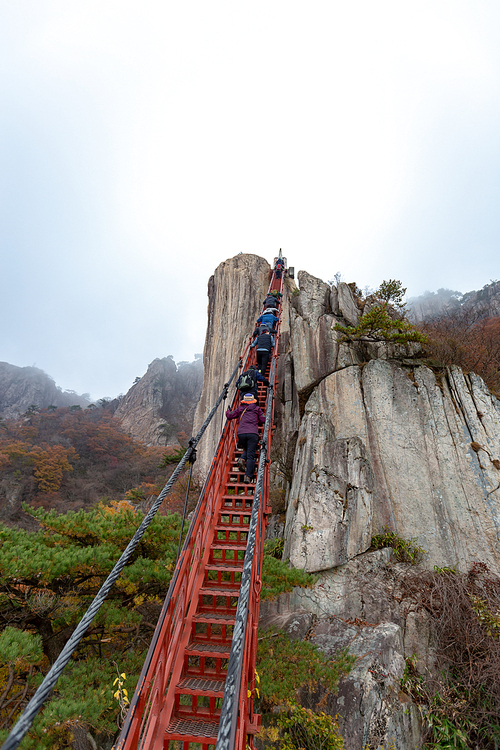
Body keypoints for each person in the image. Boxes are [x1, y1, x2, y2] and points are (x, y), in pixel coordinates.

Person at [226, 393, 265, 483]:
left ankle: (242, 459)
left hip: (241, 434)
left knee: (248, 450)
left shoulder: (240, 409)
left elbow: (229, 415)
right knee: (251, 455)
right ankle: (248, 476)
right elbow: (263, 420)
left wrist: (228, 411)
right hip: (253, 434)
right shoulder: (256, 408)